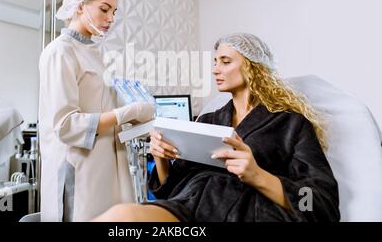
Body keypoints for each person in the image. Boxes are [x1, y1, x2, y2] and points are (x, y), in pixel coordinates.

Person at [93, 33, 340, 222]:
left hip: (250, 212)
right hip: (190, 208)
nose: (215, 69)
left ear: (253, 67)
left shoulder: (291, 123)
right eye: (214, 61)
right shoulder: (208, 121)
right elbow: (172, 189)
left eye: (225, 61)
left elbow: (319, 202)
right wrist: (161, 158)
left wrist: (258, 176)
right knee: (119, 216)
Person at [38, 0, 156, 222]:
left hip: (107, 167)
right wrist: (128, 112)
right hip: (79, 168)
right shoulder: (60, 52)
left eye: (114, 11)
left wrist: (138, 119)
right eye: (104, 9)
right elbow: (66, 125)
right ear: (80, 6)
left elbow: (104, 109)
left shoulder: (95, 54)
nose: (111, 19)